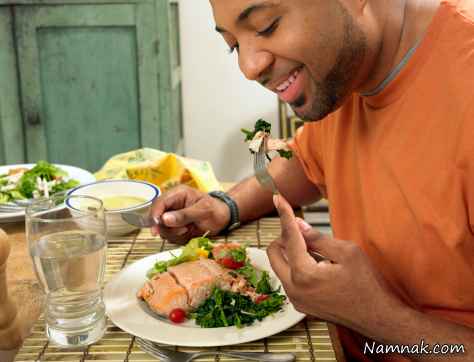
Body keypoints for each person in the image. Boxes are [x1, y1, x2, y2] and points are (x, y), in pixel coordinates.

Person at [150, 0, 474, 360]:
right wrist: (225, 206)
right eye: (234, 46)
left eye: (267, 26)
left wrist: (378, 318)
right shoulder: (346, 75)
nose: (249, 67)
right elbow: (305, 162)